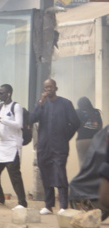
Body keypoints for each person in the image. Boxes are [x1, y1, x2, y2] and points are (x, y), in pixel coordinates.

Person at [29, 79, 80, 215]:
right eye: (46, 87)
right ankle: (48, 205)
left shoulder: (65, 103)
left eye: (51, 87)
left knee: (60, 173)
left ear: (56, 88)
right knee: (45, 173)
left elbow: (75, 123)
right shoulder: (41, 104)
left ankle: (63, 205)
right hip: (44, 146)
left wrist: (65, 137)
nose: (48, 89)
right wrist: (40, 104)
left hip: (59, 146)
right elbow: (32, 119)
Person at [0, 84, 28, 210]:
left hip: (13, 145)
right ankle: (0, 198)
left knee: (14, 176)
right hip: (2, 144)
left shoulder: (16, 107)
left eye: (1, 93)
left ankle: (22, 203)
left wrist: (1, 119)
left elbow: (18, 125)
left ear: (8, 94)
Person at [75, 97, 102, 167]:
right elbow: (100, 127)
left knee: (83, 161)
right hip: (94, 140)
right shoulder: (96, 112)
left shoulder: (77, 112)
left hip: (81, 140)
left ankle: (84, 173)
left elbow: (74, 125)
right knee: (94, 162)